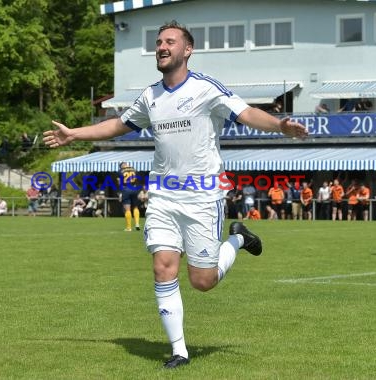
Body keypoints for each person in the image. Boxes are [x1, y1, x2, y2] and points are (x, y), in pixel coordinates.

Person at [42, 21, 307, 369]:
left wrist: (279, 126)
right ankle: (179, 351)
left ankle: (238, 240)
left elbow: (246, 113)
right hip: (164, 196)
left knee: (202, 281)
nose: (162, 47)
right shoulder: (150, 96)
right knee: (163, 268)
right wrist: (74, 134)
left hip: (203, 197)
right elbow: (120, 125)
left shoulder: (205, 88)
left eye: (170, 41)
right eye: (158, 42)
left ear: (187, 50)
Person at [118, 162, 141, 231]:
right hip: (134, 188)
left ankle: (129, 227)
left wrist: (120, 193)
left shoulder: (120, 171)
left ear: (122, 166)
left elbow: (120, 182)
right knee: (136, 207)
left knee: (127, 209)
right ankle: (137, 223)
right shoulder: (134, 169)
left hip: (126, 189)